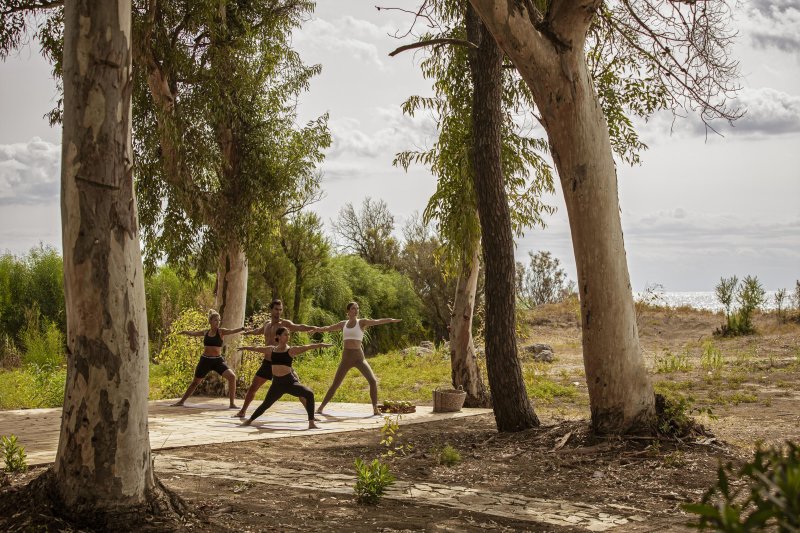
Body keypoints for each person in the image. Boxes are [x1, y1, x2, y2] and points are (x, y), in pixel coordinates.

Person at [234, 298, 321, 418]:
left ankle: (311, 416)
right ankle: (242, 411)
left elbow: (298, 327)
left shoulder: (284, 324)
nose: (278, 312)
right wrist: (248, 333)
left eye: (280, 310)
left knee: (300, 389)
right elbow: (258, 331)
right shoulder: (267, 324)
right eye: (276, 309)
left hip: (281, 364)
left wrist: (312, 327)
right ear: (271, 309)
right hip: (267, 363)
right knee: (253, 387)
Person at [314, 302, 401, 416]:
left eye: (357, 308)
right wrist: (316, 329)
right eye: (353, 308)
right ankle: (321, 407)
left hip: (359, 358)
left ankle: (375, 409)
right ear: (348, 311)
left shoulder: (362, 323)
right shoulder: (343, 324)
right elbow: (328, 328)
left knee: (373, 381)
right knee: (335, 384)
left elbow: (377, 321)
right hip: (346, 358)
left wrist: (390, 320)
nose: (356, 310)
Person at [238, 327, 331, 429]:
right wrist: (245, 347)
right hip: (277, 384)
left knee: (309, 394)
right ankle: (249, 420)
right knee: (266, 404)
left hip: (289, 382)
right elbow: (257, 349)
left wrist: (321, 345)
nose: (288, 337)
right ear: (278, 336)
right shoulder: (271, 349)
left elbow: (307, 347)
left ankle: (311, 423)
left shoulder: (291, 350)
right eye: (285, 334)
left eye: (288, 335)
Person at [170, 309, 245, 409]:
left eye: (219, 320)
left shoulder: (221, 332)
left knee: (232, 377)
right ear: (210, 321)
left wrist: (243, 328)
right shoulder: (206, 332)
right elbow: (194, 333)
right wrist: (184, 332)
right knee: (195, 382)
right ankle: (181, 401)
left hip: (218, 361)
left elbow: (232, 331)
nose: (217, 322)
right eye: (215, 320)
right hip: (205, 360)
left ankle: (232, 403)